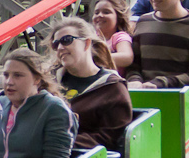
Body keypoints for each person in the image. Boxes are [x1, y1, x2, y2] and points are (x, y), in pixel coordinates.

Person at [49, 17, 132, 150]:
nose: (60, 48)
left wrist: (59, 143)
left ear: (87, 43)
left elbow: (109, 139)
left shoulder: (113, 88)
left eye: (66, 40)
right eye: (56, 44)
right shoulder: (49, 81)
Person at [92, 0, 135, 73]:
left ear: (118, 18)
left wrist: (96, 59)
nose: (100, 15)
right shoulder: (92, 38)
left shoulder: (120, 36)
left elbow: (127, 57)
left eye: (106, 12)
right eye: (96, 12)